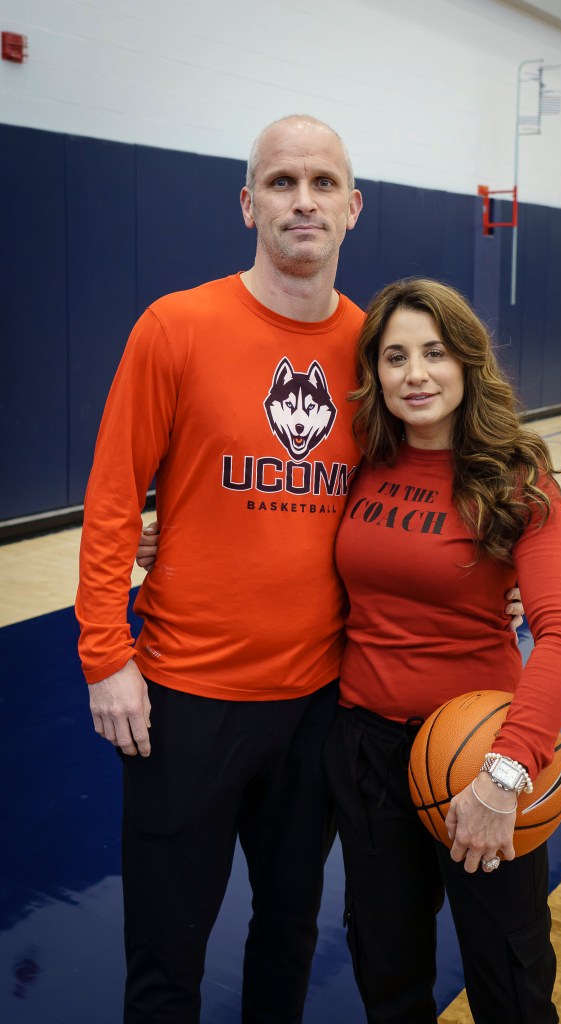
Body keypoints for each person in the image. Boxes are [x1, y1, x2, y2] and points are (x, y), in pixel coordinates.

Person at [77, 114, 523, 1024]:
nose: (303, 200)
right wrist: (104, 653)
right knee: (166, 949)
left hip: (321, 702)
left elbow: (424, 493)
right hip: (181, 697)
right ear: (248, 203)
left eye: (323, 183)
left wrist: (496, 573)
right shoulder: (175, 326)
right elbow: (114, 498)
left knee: (286, 934)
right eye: (281, 182)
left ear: (353, 209)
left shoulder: (372, 353)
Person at [322, 277, 561, 1023]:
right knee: (387, 972)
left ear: (468, 362)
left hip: (483, 759)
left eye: (434, 352)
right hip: (367, 754)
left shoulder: (515, 478)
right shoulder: (358, 462)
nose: (415, 374)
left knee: (509, 980)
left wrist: (503, 776)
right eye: (394, 356)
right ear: (373, 371)